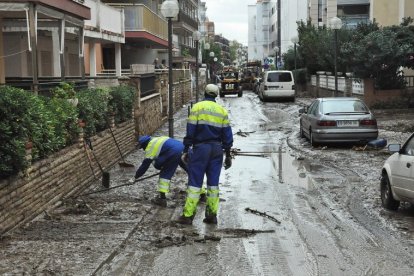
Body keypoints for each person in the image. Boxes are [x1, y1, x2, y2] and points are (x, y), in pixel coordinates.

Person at [177, 84, 233, 225]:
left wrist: (186, 149)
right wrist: (228, 154)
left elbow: (190, 131)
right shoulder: (222, 111)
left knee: (195, 183)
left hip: (200, 149)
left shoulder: (197, 108)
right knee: (213, 184)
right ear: (216, 94)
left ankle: (188, 215)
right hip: (217, 150)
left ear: (205, 93)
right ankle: (212, 215)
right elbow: (227, 136)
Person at [133, 135, 187, 207]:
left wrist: (135, 177)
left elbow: (144, 166)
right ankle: (202, 194)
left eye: (143, 147)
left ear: (145, 144)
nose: (143, 149)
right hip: (183, 148)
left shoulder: (150, 148)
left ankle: (162, 199)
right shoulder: (158, 138)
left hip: (173, 153)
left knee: (165, 174)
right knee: (191, 170)